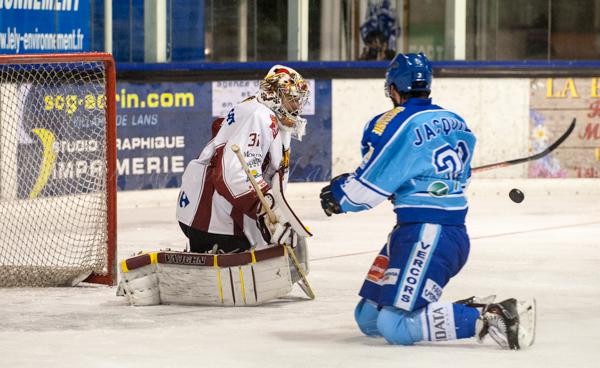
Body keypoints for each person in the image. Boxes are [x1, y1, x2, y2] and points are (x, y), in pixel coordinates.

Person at [319, 53, 536, 350]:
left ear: (393, 88)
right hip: (424, 232)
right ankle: (451, 311)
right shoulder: (455, 121)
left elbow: (367, 188)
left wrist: (339, 195)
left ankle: (491, 315)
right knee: (368, 318)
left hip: (430, 233)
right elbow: (448, 177)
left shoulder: (395, 122)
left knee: (392, 325)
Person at [176, 65, 310, 254]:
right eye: (291, 99)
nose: (296, 106)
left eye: (298, 100)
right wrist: (266, 212)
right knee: (240, 279)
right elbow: (235, 173)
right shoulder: (258, 116)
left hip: (215, 212)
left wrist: (272, 211)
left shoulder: (266, 115)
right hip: (213, 217)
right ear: (273, 95)